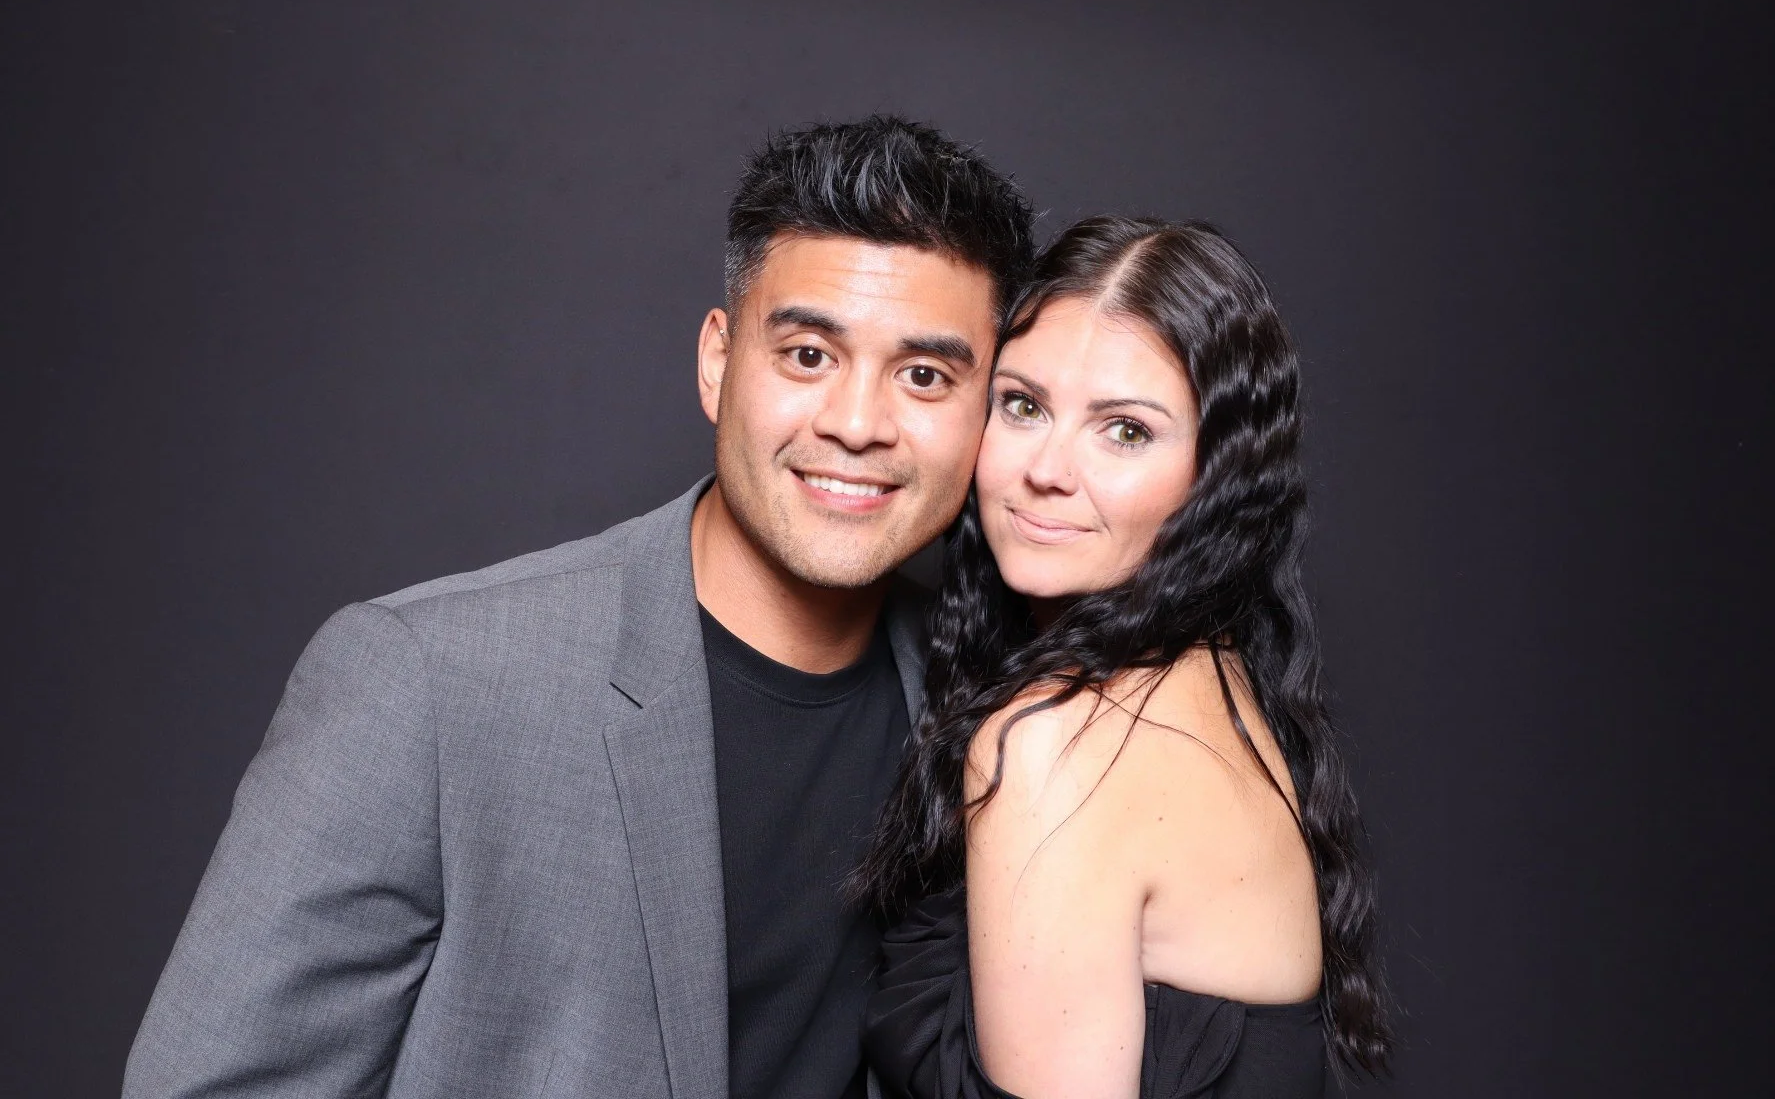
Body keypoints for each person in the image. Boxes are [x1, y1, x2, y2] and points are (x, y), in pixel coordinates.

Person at [124, 115, 1035, 1099]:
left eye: (925, 376)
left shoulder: (993, 706)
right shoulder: (428, 681)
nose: (858, 425)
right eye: (809, 355)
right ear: (717, 363)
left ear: (991, 408)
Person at [855, 216, 1396, 1098]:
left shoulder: (1061, 745)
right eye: (1023, 407)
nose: (1048, 470)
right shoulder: (1213, 681)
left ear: (1215, 479)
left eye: (1126, 432)